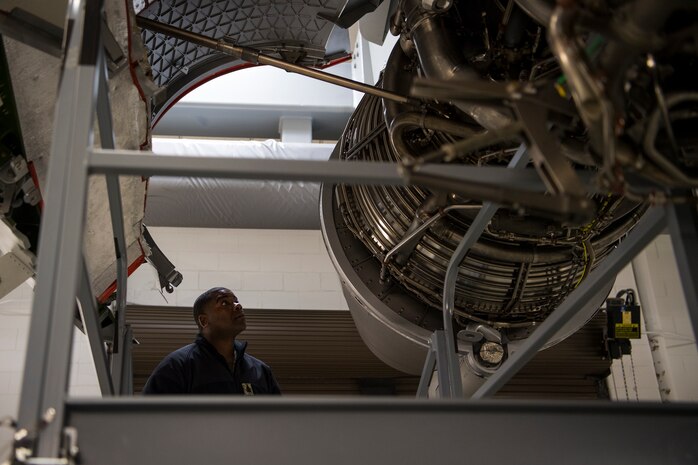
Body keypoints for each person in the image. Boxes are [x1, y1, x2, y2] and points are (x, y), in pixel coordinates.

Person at [142, 287, 281, 395]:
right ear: (204, 321)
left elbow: (279, 423)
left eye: (236, 301)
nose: (238, 306)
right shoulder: (178, 366)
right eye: (224, 302)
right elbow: (149, 421)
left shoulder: (260, 370)